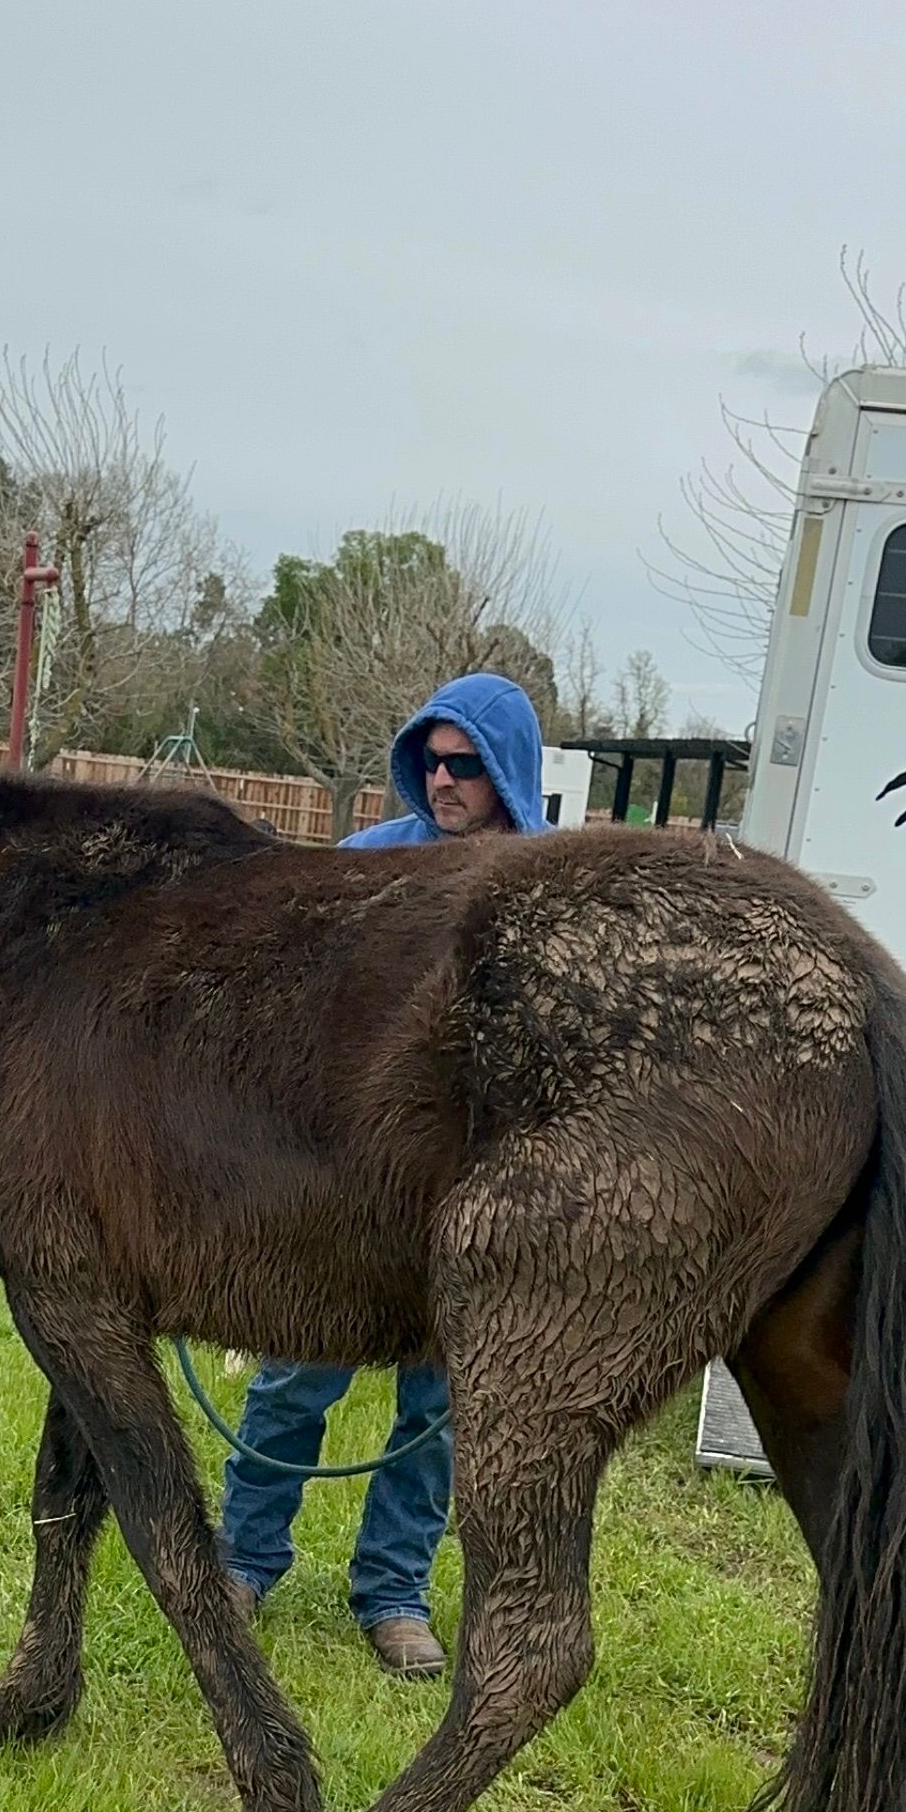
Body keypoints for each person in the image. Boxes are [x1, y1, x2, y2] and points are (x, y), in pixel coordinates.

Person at [220, 669, 549, 1678]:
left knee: (434, 1408)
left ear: (508, 771)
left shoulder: (544, 893)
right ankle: (240, 1561)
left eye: (466, 764)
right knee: (292, 1381)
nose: (443, 781)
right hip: (345, 1190)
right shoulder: (361, 868)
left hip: (466, 1203)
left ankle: (392, 1594)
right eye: (431, 760)